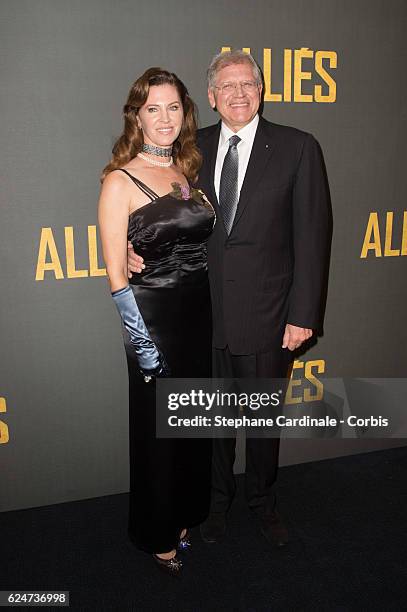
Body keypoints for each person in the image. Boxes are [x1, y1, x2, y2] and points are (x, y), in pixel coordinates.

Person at [128, 51, 332, 547]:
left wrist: (302, 314)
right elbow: (161, 213)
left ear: (261, 91)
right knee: (213, 423)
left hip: (269, 315)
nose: (239, 94)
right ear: (213, 97)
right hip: (201, 314)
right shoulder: (188, 149)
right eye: (227, 86)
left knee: (262, 422)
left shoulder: (298, 147)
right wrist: (134, 249)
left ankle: (263, 501)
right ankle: (214, 504)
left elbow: (313, 234)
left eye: (248, 85)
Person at [98, 67, 215, 575]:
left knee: (188, 426)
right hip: (155, 323)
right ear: (137, 116)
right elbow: (115, 275)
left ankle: (184, 513)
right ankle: (155, 532)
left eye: (173, 107)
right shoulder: (118, 180)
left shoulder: (185, 170)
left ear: (184, 112)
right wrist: (142, 342)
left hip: (197, 315)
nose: (164, 118)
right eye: (153, 109)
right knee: (157, 432)